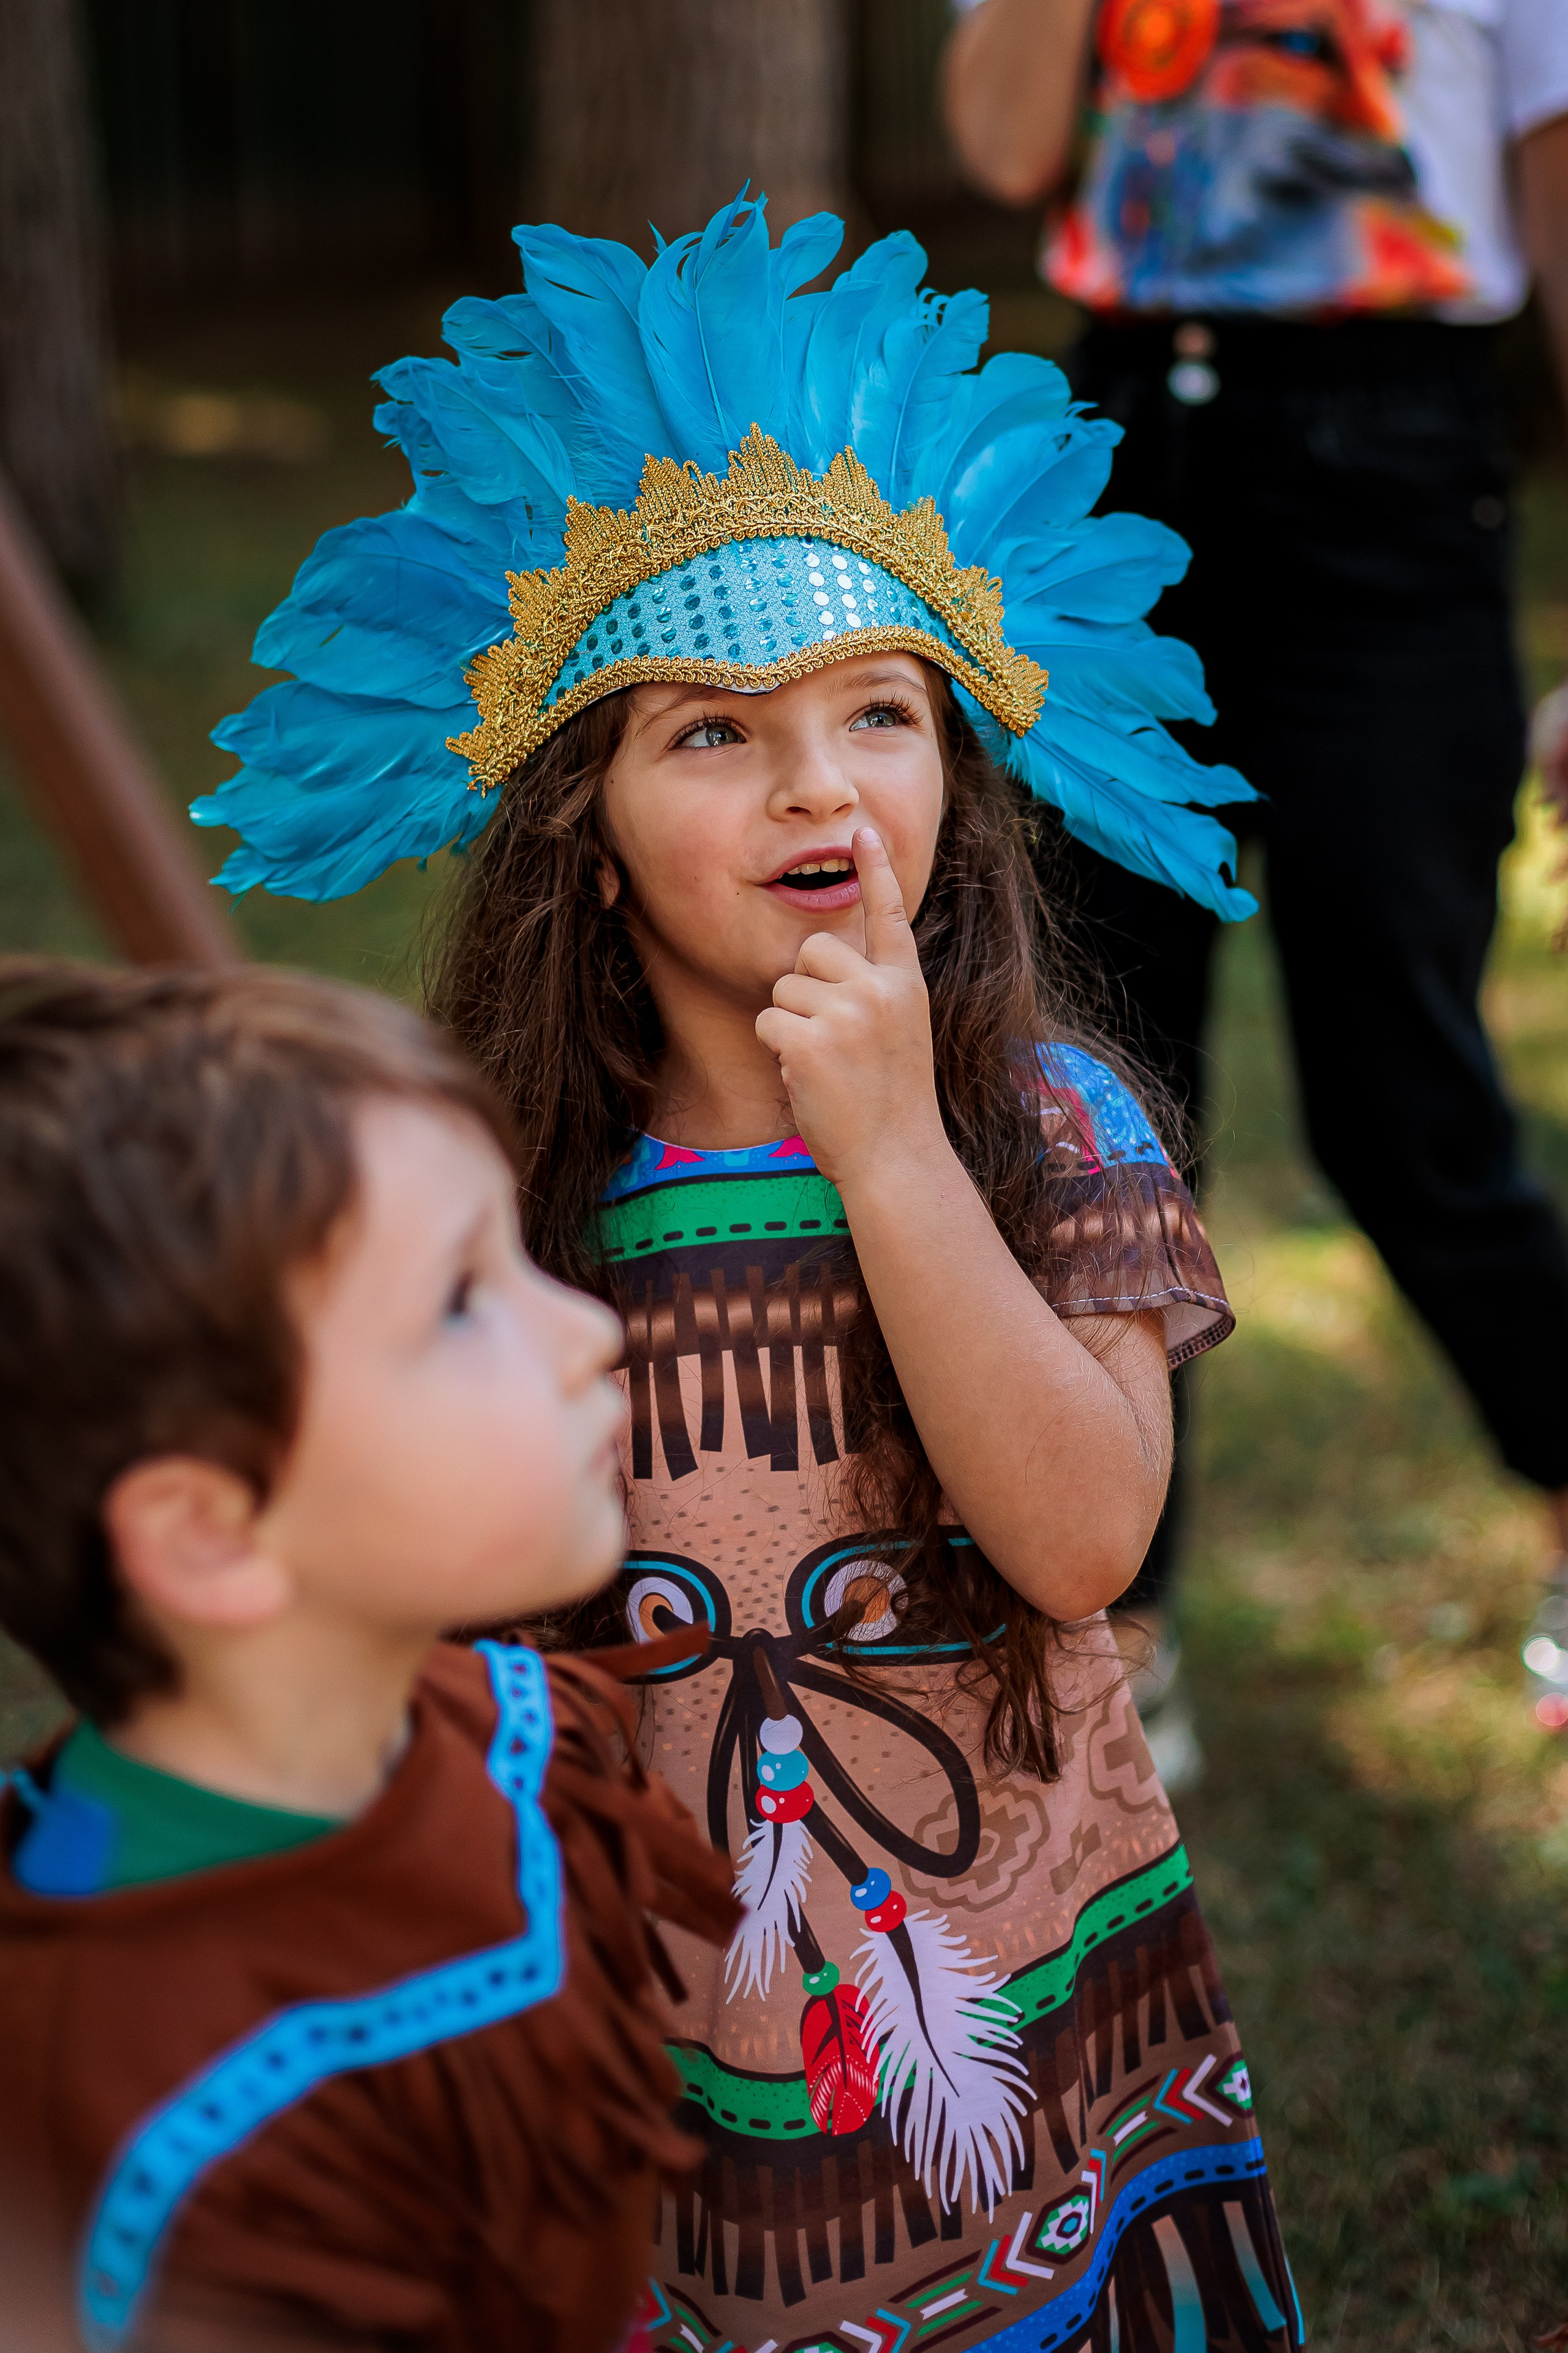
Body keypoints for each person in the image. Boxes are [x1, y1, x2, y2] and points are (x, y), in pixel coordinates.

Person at [203, 191, 1302, 2351]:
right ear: (581, 835)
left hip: (1004, 1977)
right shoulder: (508, 1186)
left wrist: (891, 1150)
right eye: (710, 729)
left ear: (960, 781)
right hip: (649, 1980)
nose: (820, 780)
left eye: (878, 712)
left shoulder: (1050, 1125)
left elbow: (1083, 1538)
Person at [943, 0, 1568, 1745]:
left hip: (1398, 470)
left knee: (1406, 1105)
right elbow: (1005, 143)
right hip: (1120, 453)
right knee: (1097, 1093)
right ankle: (1120, 1618)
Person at [0, 961, 739, 2353]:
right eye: (461, 1301)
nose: (588, 1330)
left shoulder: (507, 1727)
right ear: (211, 1536)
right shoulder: (146, 2112)